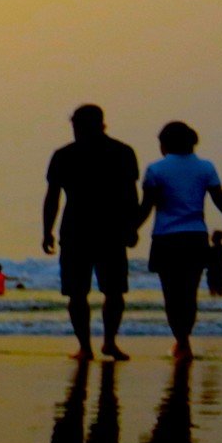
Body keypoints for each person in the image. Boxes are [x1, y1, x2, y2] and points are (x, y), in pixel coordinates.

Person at [131, 121, 222, 361]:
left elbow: (146, 206)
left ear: (164, 144)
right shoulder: (206, 167)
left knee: (171, 295)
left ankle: (181, 342)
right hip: (195, 237)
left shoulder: (156, 169)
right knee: (189, 293)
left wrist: (130, 230)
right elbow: (220, 200)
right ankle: (184, 342)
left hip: (166, 238)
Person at [43, 104, 139, 361]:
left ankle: (96, 345)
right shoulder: (120, 152)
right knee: (96, 291)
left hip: (88, 230)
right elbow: (52, 196)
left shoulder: (69, 154)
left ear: (95, 125)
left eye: (77, 126)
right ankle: (94, 344)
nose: (75, 130)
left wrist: (48, 231)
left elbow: (130, 194)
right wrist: (47, 231)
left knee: (97, 292)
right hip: (97, 230)